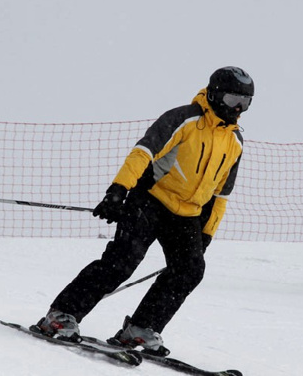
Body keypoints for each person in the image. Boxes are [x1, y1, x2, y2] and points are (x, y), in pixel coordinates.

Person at [33, 66, 254, 355]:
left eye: (245, 103)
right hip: (150, 199)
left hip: (186, 214)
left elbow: (221, 194)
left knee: (190, 269)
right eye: (231, 99)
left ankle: (140, 329)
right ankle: (60, 316)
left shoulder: (235, 141)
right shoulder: (183, 119)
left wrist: (207, 233)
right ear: (214, 94)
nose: (237, 108)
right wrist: (119, 189)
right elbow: (144, 152)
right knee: (123, 260)